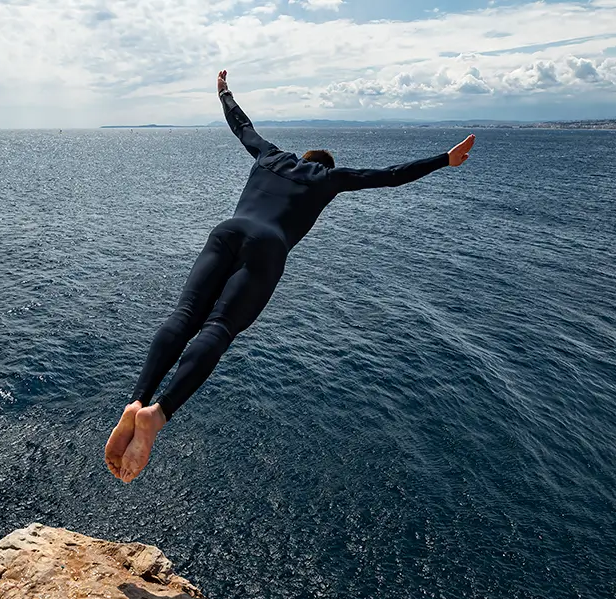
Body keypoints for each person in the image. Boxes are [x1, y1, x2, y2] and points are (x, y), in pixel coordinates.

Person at [105, 70, 476, 483]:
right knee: (220, 328)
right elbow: (388, 175)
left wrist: (224, 92)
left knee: (184, 316)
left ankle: (137, 400)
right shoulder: (329, 178)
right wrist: (445, 159)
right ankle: (160, 413)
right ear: (324, 166)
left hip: (227, 230)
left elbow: (241, 126)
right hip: (267, 248)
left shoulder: (269, 155)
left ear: (303, 156)